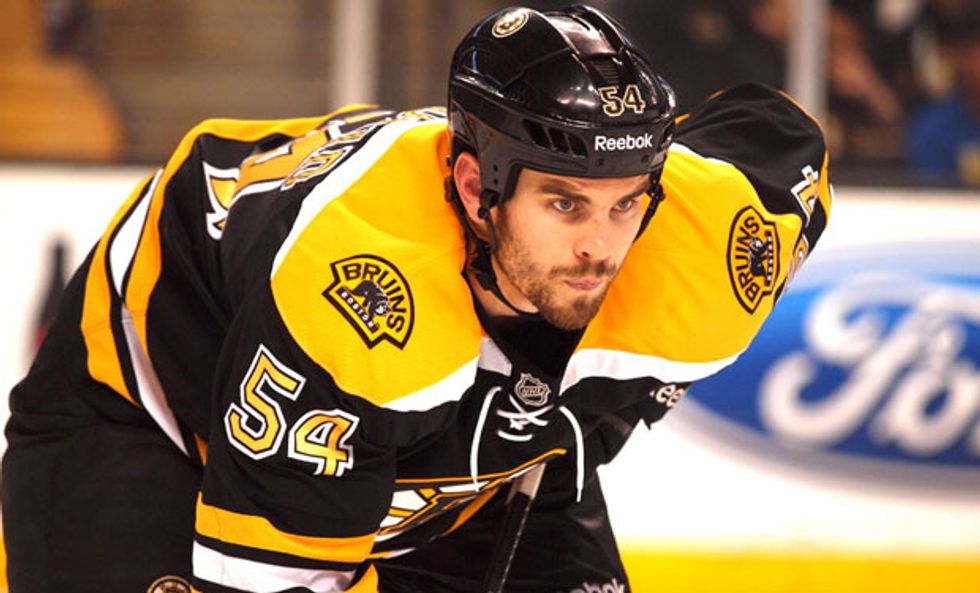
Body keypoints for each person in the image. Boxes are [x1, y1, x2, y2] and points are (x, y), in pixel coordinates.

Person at [1, 5, 831, 593]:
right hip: (149, 401)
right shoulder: (358, 304)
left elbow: (783, 138)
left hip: (455, 430)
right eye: (564, 203)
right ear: (475, 188)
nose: (600, 248)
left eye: (624, 204)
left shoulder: (711, 238)